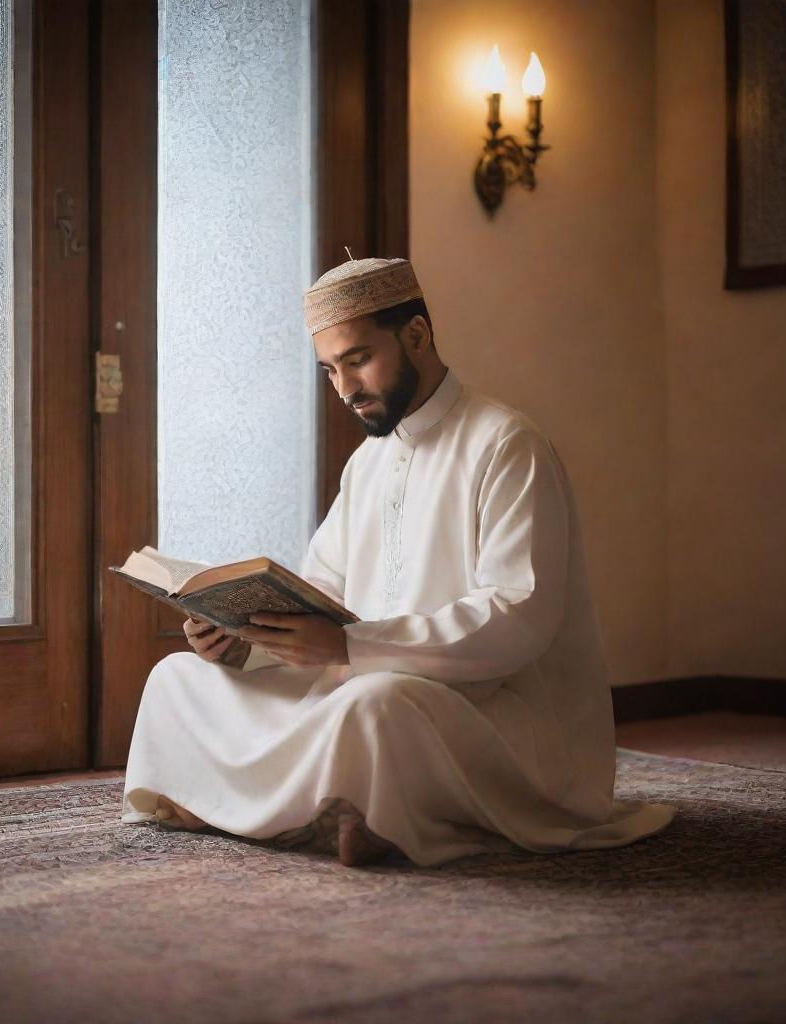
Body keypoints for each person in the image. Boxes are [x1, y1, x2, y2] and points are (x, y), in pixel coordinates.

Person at [121, 256, 677, 867]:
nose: (345, 388)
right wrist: (241, 640)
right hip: (357, 685)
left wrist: (354, 648)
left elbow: (519, 616)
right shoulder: (367, 463)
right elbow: (321, 595)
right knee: (180, 678)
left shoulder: (507, 444)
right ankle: (331, 810)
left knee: (374, 705)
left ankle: (275, 809)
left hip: (488, 713)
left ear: (416, 334)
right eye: (330, 370)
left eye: (358, 360)